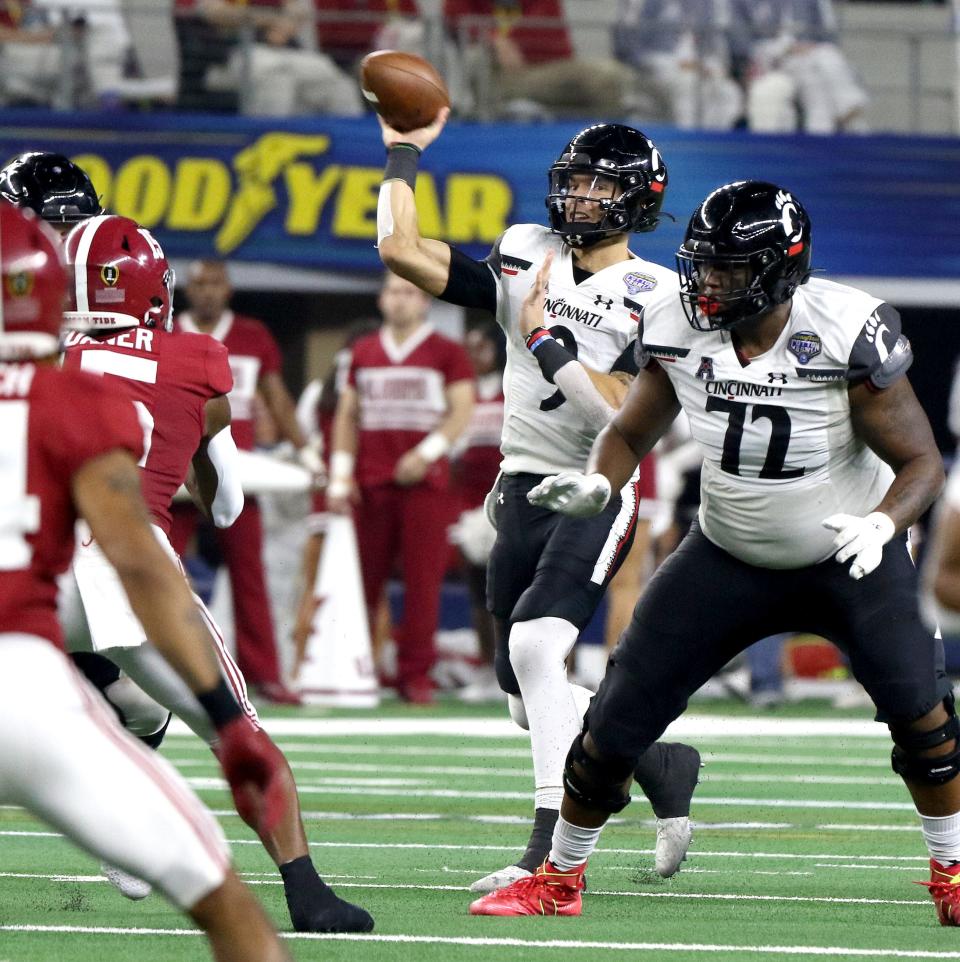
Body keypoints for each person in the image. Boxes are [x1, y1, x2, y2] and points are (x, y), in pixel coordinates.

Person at [472, 180, 960, 925]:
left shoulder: (844, 328)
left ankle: (953, 870)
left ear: (777, 270)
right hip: (727, 551)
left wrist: (886, 524)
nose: (705, 284)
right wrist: (599, 484)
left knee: (923, 717)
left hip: (848, 552)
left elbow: (923, 459)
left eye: (728, 272)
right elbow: (631, 430)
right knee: (613, 721)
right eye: (701, 266)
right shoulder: (674, 320)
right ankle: (559, 878)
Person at [375, 111, 701, 891]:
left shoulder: (659, 293)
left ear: (636, 199)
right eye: (575, 180)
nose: (580, 196)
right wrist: (403, 152)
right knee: (526, 697)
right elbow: (400, 249)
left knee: (534, 651)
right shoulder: (525, 249)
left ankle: (548, 855)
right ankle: (656, 760)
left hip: (596, 489)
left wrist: (549, 345)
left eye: (600, 184)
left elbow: (626, 415)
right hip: (518, 485)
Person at [58, 213, 374, 934]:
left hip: (41, 563)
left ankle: (113, 791)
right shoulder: (198, 358)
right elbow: (225, 505)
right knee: (239, 732)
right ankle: (307, 893)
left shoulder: (40, 356)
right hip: (134, 572)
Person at [0, 200, 291, 962]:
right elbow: (144, 556)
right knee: (219, 897)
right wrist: (227, 720)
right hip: (42, 668)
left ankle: (130, 710)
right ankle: (142, 719)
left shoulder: (70, 370)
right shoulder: (102, 392)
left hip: (38, 632)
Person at [173, 258, 318, 705]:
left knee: (249, 576)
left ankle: (264, 673)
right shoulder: (167, 331)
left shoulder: (252, 336)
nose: (208, 292)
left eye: (215, 283)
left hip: (238, 471)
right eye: (199, 284)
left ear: (229, 289)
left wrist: (306, 449)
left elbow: (275, 396)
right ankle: (163, 667)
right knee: (163, 566)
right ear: (186, 290)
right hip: (176, 468)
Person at [326, 272, 475, 704]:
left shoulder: (447, 352)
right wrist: (339, 476)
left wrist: (426, 454)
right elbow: (346, 417)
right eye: (393, 291)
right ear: (381, 298)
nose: (400, 300)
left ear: (425, 302)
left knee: (422, 583)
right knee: (364, 583)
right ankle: (358, 667)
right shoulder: (363, 351)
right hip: (371, 483)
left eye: (409, 292)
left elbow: (462, 410)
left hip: (424, 484)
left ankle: (415, 674)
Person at [450, 320, 506, 703]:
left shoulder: (514, 387)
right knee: (477, 591)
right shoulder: (463, 394)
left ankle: (510, 670)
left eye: (480, 348)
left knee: (510, 593)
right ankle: (487, 666)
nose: (472, 357)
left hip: (509, 504)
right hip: (470, 507)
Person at [730, 0, 868, 134]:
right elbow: (742, 46)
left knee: (819, 73)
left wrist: (808, 47)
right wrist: (787, 48)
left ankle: (821, 135)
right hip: (771, 64)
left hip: (809, 61)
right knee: (824, 60)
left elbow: (829, 38)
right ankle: (849, 108)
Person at [613, 0, 743, 130]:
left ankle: (713, 144)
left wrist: (711, 66)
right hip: (658, 62)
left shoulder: (708, 4)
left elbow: (714, 44)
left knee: (729, 91)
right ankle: (690, 142)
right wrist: (671, 63)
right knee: (688, 85)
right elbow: (627, 45)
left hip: (699, 64)